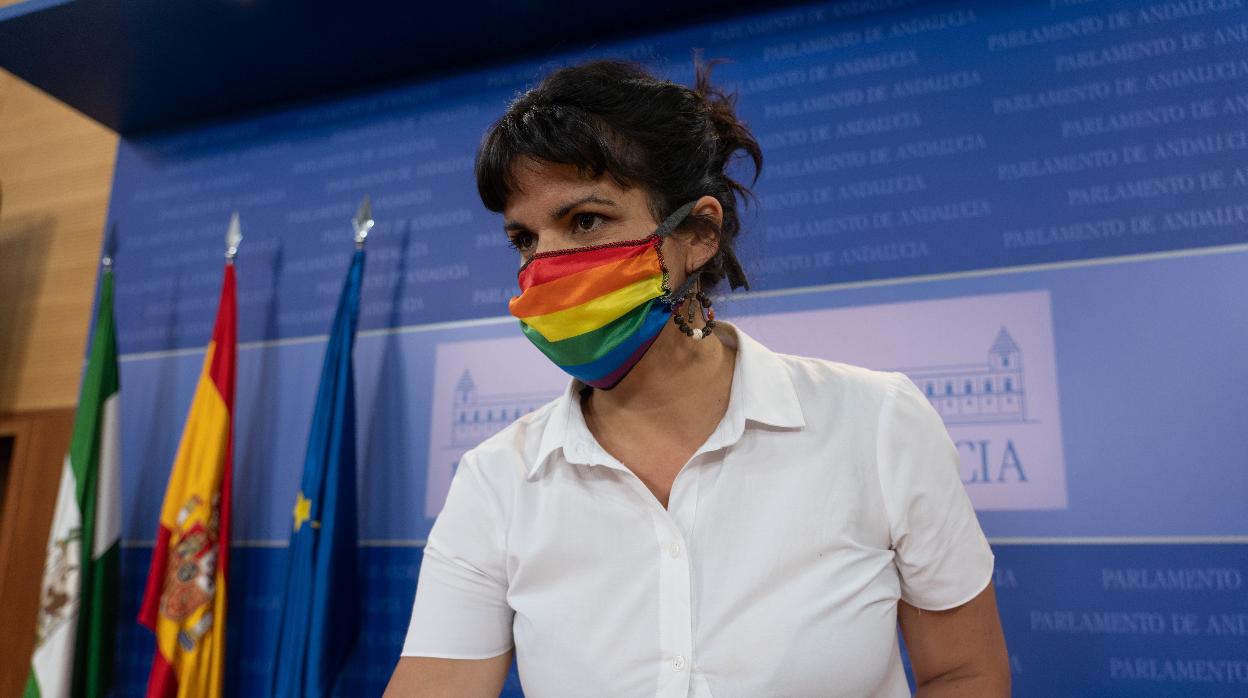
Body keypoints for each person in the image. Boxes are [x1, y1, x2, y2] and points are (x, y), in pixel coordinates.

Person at [385, 58, 1009, 697]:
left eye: (585, 221)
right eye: (524, 237)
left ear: (698, 234)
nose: (545, 264)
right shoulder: (499, 479)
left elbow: (963, 672)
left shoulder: (875, 423)